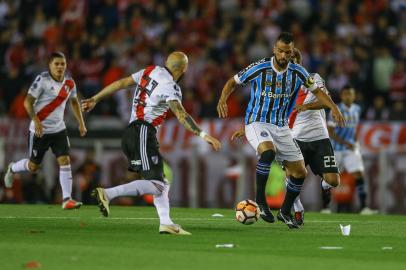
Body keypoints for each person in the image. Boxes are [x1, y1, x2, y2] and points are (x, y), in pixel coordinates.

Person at [82, 51, 221, 235]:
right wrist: (204, 135)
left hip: (135, 132)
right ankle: (108, 194)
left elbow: (122, 83)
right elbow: (181, 115)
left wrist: (95, 98)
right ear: (184, 69)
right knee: (158, 184)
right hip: (142, 132)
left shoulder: (151, 70)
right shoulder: (170, 86)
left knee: (162, 182)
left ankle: (166, 223)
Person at [217, 32, 344, 229]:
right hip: (257, 121)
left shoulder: (299, 73)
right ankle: (261, 201)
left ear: (292, 52)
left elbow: (317, 92)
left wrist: (334, 108)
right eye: (281, 51)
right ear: (274, 50)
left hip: (282, 126)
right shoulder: (260, 68)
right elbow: (233, 81)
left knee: (300, 172)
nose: (284, 55)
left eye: (288, 52)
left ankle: (285, 212)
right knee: (268, 152)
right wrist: (222, 99)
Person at [3, 52, 87, 209]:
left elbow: (74, 102)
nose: (60, 67)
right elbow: (27, 103)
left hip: (59, 129)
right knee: (34, 167)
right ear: (49, 65)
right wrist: (37, 122)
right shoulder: (42, 80)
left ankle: (67, 199)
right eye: (57, 64)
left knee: (65, 160)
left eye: (63, 64)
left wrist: (81, 123)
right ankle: (12, 168)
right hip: (39, 130)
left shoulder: (70, 82)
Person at [327, 86, 377, 215]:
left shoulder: (357, 109)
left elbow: (353, 129)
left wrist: (355, 143)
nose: (348, 96)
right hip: (336, 149)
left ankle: (364, 207)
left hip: (350, 150)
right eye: (345, 94)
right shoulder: (335, 109)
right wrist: (345, 143)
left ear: (354, 96)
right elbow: (330, 132)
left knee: (359, 174)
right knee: (328, 178)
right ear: (342, 96)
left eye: (350, 94)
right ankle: (326, 207)